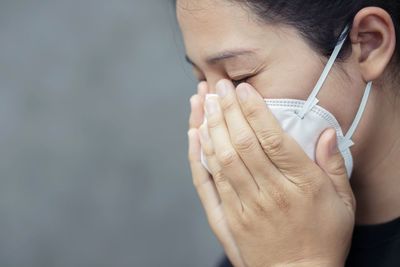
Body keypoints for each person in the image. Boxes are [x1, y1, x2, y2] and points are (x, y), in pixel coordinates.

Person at [177, 0, 400, 266]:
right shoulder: (259, 244)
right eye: (202, 79)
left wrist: (301, 261)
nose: (215, 114)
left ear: (368, 44)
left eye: (239, 77)